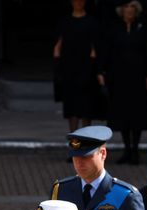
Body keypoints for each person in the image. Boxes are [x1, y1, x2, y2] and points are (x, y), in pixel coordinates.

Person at [97, 0, 147, 164]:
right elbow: (106, 50)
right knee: (122, 114)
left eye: (132, 8)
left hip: (138, 77)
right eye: (127, 7)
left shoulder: (143, 28)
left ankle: (135, 149)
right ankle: (127, 149)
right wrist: (101, 71)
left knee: (137, 114)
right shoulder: (114, 27)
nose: (129, 11)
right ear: (122, 10)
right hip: (119, 77)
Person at [53, 0, 103, 133]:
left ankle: (85, 148)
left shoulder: (92, 23)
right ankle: (75, 146)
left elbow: (95, 49)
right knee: (72, 110)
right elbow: (58, 46)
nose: (78, 2)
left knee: (86, 110)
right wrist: (58, 69)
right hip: (68, 69)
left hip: (87, 70)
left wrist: (97, 70)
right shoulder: (64, 22)